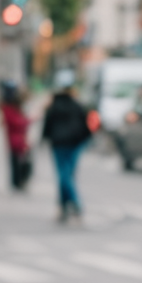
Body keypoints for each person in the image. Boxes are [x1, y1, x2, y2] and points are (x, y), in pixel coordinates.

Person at [40, 82, 93, 224]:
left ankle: (66, 206)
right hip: (74, 145)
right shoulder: (77, 106)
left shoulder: (54, 106)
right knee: (68, 175)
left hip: (58, 144)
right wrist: (84, 140)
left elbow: (47, 126)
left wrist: (44, 140)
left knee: (63, 175)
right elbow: (85, 126)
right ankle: (72, 204)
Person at [0, 82, 33, 193]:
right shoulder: (8, 108)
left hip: (20, 139)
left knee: (19, 162)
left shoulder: (15, 108)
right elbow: (19, 123)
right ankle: (17, 182)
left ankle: (18, 182)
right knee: (16, 162)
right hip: (15, 140)